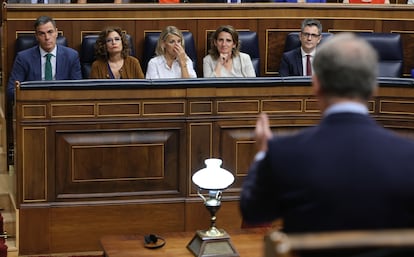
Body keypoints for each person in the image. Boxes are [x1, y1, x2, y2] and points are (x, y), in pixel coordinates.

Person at [240, 32, 414, 234]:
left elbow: (253, 212)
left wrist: (263, 155)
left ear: (316, 85)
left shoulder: (284, 154)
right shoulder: (409, 157)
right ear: (374, 88)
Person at [7, 15, 82, 104]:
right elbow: (11, 91)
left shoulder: (71, 56)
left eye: (50, 32)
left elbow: (78, 89)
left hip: (62, 105)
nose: (47, 37)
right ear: (36, 36)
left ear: (56, 33)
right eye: (42, 33)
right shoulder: (23, 58)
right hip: (34, 105)